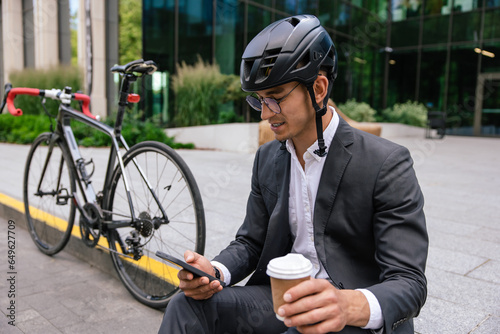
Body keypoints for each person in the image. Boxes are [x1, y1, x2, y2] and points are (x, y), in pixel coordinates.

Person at [159, 14, 428, 334]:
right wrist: (214, 272)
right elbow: (250, 242)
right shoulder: (268, 158)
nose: (265, 112)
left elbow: (409, 282)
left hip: (351, 315)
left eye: (276, 97)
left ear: (318, 88)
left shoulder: (387, 164)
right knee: (185, 305)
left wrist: (345, 305)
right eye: (259, 100)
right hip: (283, 301)